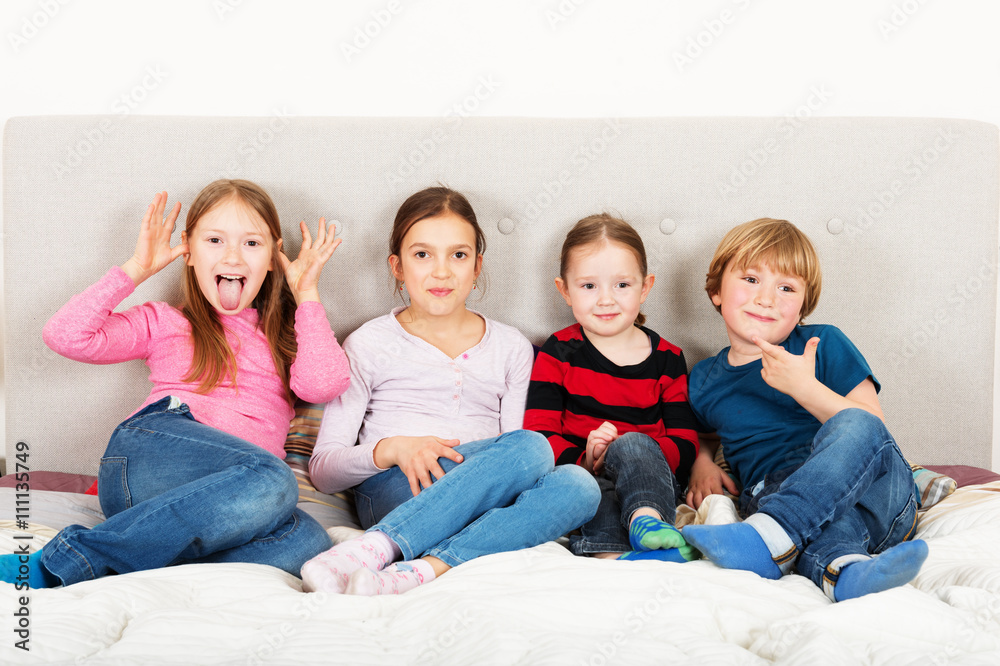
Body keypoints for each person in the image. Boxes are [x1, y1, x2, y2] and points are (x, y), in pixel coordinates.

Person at [0, 180, 350, 588]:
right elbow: (65, 335)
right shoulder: (165, 321)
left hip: (228, 497)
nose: (233, 256)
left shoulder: (289, 336)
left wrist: (306, 293)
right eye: (215, 240)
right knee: (275, 479)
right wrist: (136, 269)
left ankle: (143, 555)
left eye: (252, 244)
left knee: (306, 543)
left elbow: (323, 385)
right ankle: (68, 559)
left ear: (274, 256)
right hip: (149, 457)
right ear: (188, 250)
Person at [301, 187, 600, 596]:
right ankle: (377, 545)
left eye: (457, 255)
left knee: (579, 484)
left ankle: (420, 570)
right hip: (397, 487)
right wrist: (392, 449)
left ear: (477, 266)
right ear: (397, 266)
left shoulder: (510, 347)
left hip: (485, 495)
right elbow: (323, 470)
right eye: (422, 255)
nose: (441, 272)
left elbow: (520, 460)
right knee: (533, 447)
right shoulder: (367, 344)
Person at [682, 217, 928, 602]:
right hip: (779, 491)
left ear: (802, 306)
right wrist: (702, 462)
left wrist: (805, 388)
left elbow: (872, 428)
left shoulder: (823, 342)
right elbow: (700, 432)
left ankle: (769, 538)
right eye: (750, 280)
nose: (766, 298)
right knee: (823, 519)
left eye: (786, 287)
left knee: (856, 425)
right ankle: (847, 574)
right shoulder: (704, 379)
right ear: (716, 291)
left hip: (877, 492)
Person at [524, 214, 700, 563]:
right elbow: (540, 436)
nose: (606, 299)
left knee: (632, 443)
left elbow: (685, 442)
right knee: (591, 488)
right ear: (565, 290)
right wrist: (588, 460)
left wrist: (629, 451)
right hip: (584, 474)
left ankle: (647, 523)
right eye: (589, 286)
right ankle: (613, 558)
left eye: (622, 285)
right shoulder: (557, 353)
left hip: (649, 476)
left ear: (645, 287)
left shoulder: (668, 359)